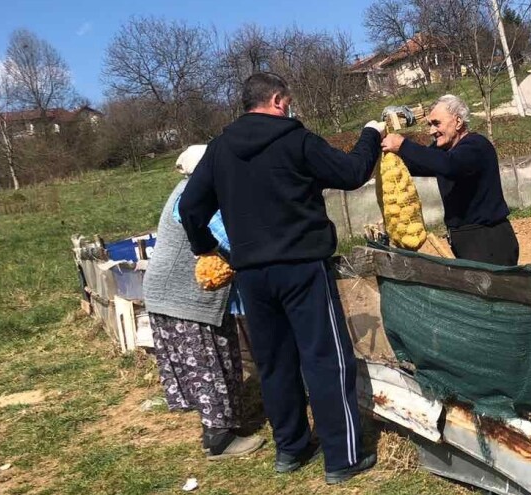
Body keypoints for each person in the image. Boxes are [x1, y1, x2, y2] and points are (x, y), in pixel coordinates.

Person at [178, 72, 385, 485]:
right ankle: (342, 456)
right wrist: (370, 134)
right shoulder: (296, 140)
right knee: (325, 358)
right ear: (276, 100)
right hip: (302, 267)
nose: (289, 108)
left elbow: (189, 208)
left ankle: (290, 448)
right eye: (287, 102)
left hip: (252, 275)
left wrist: (210, 250)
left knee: (274, 363)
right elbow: (351, 173)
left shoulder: (220, 150)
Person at [142, 146, 263, 460]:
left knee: (216, 359)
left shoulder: (189, 191)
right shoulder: (197, 197)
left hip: (175, 294)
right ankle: (219, 439)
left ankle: (221, 429)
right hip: (182, 296)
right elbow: (229, 240)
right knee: (208, 363)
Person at [381, 94, 520, 266]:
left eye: (436, 123)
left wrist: (403, 145)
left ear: (458, 121)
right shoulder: (444, 151)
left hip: (488, 241)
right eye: (430, 125)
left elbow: (450, 166)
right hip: (468, 242)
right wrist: (388, 156)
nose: (432, 131)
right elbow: (421, 164)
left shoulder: (475, 146)